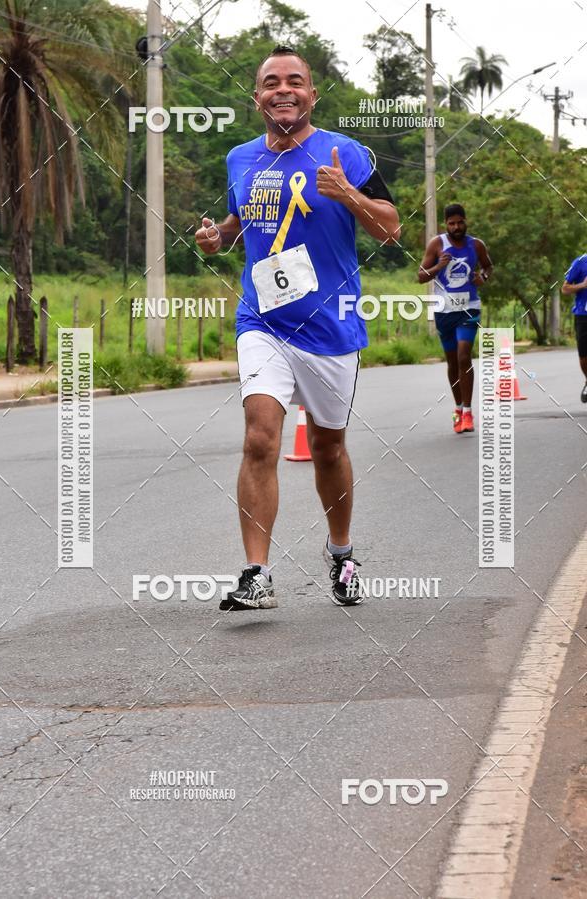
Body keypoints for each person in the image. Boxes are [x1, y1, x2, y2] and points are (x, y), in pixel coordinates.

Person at [195, 45, 400, 609]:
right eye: (270, 82)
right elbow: (244, 219)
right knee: (260, 436)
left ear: (311, 93)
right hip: (262, 320)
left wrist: (350, 195)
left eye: (295, 81)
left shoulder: (345, 151)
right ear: (257, 96)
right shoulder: (240, 157)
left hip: (330, 325)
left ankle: (341, 553)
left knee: (329, 447)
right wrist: (222, 237)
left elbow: (390, 229)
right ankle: (256, 574)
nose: (283, 90)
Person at [418, 204, 493, 433]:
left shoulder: (476, 245)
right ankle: (458, 408)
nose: (456, 227)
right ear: (446, 224)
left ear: (466, 221)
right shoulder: (437, 244)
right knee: (452, 361)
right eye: (452, 223)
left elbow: (488, 267)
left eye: (460, 222)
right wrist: (438, 266)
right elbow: (420, 276)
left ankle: (469, 412)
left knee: (463, 356)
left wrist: (483, 277)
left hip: (469, 308)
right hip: (443, 310)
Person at [561, 255, 587, 402]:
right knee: (584, 356)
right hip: (584, 315)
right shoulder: (580, 262)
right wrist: (582, 285)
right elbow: (564, 288)